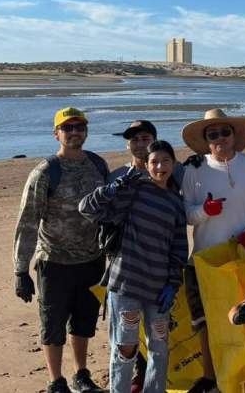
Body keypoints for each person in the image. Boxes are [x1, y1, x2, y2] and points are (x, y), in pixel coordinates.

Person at [79, 140, 188, 393]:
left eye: (165, 161)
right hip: (126, 285)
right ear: (146, 166)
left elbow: (179, 248)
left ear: (173, 163)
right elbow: (87, 208)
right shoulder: (134, 190)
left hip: (158, 291)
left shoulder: (176, 203)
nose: (160, 167)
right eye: (154, 162)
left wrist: (173, 283)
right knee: (125, 347)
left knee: (159, 349)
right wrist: (114, 186)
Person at [12, 107, 108, 393]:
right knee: (52, 325)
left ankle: (81, 374)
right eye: (68, 128)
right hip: (54, 262)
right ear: (57, 134)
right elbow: (27, 221)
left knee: (84, 322)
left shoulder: (98, 165)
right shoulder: (45, 172)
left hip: (92, 260)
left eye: (79, 127)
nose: (75, 132)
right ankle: (56, 381)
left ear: (86, 131)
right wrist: (20, 270)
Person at [180, 108, 245, 393]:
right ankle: (211, 378)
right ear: (206, 140)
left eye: (225, 132)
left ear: (234, 136)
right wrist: (205, 211)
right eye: (213, 134)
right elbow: (186, 213)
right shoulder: (194, 169)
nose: (220, 138)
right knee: (208, 323)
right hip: (207, 261)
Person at [110, 119, 184, 188]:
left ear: (155, 141)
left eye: (145, 139)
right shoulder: (118, 176)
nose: (140, 144)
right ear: (128, 145)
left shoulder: (175, 169)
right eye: (134, 139)